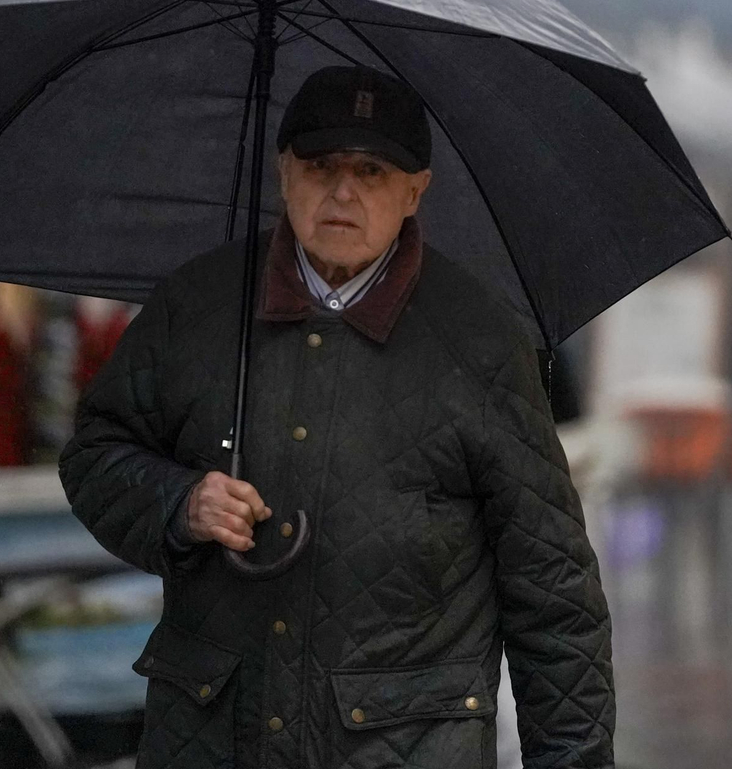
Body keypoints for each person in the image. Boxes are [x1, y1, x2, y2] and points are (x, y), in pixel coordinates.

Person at [60, 64, 615, 769]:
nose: (343, 191)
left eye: (372, 171)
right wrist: (181, 502)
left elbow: (552, 585)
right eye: (321, 166)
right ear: (283, 172)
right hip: (210, 737)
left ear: (417, 189)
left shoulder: (481, 340)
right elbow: (95, 455)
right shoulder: (197, 305)